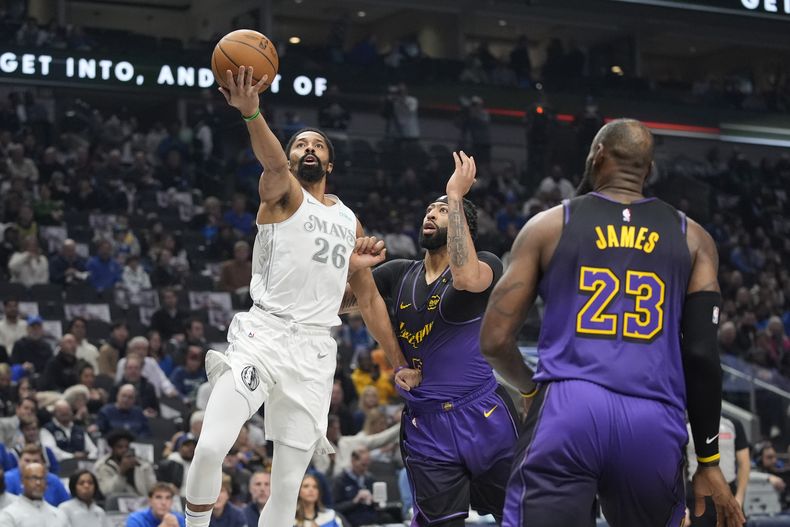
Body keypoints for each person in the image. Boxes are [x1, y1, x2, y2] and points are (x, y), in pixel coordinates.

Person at [479, 119, 745, 527]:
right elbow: (701, 355)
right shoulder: (694, 238)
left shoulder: (549, 225)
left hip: (569, 408)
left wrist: (531, 388)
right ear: (648, 168)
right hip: (653, 418)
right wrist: (708, 461)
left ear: (598, 155)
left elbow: (494, 340)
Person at [184, 65, 409, 527]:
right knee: (209, 448)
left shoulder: (349, 221)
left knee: (287, 487)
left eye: (318, 145)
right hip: (262, 336)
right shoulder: (281, 191)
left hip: (314, 350)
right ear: (289, 158)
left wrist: (399, 362)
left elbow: (365, 302)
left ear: (329, 164)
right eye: (300, 144)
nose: (309, 149)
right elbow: (271, 163)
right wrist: (251, 113)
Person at [343, 152, 515, 524]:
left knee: (522, 514)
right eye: (429, 210)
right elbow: (339, 304)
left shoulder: (487, 264)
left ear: (462, 225)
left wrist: (455, 195)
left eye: (441, 211)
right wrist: (353, 268)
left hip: (483, 414)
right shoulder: (398, 273)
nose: (431, 214)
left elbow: (466, 279)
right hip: (426, 424)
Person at [686, 415, 750, 526]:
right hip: (697, 494)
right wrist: (682, 505)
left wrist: (739, 498)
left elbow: (744, 464)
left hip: (728, 492)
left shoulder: (733, 424)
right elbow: (676, 466)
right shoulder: (685, 425)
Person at [0, 462, 69, 526]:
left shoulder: (59, 514)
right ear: (22, 481)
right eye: (33, 478)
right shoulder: (9, 514)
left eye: (41, 478)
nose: (38, 483)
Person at [93, 428, 156, 497]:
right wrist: (122, 473)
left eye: (126, 447)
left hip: (142, 500)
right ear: (112, 448)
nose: (124, 450)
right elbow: (107, 492)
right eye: (120, 447)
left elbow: (153, 489)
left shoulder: (143, 464)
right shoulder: (103, 466)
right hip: (118, 502)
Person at [3, 445, 70, 506]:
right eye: (27, 461)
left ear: (42, 464)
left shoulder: (54, 480)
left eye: (35, 461)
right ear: (19, 462)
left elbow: (66, 504)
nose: (31, 464)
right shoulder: (7, 479)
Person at [332, 447, 376, 527]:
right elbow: (335, 508)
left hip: (371, 521)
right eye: (363, 465)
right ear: (353, 461)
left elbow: (378, 507)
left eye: (368, 465)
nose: (365, 468)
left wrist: (374, 500)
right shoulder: (340, 480)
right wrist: (355, 501)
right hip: (349, 521)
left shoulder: (370, 478)